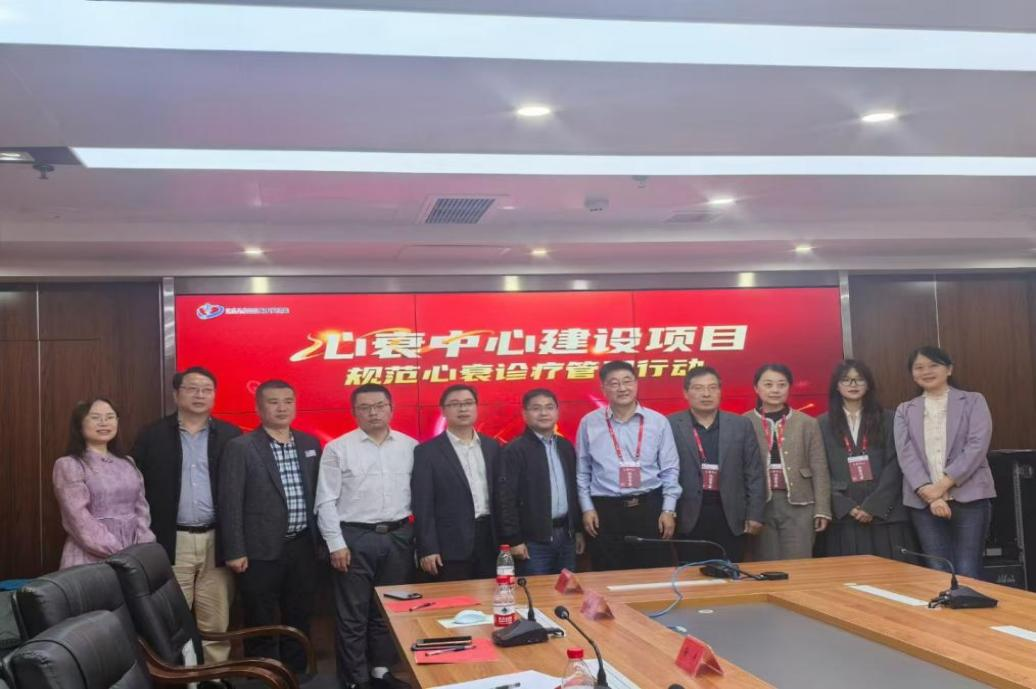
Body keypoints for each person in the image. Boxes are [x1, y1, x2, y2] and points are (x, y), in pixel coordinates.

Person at [132, 366, 241, 663]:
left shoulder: (230, 435)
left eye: (207, 390)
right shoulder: (152, 435)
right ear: (176, 394)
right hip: (171, 539)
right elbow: (135, 489)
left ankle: (215, 676)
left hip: (217, 540)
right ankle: (179, 676)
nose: (199, 395)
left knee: (216, 617)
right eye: (192, 388)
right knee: (171, 618)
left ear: (214, 396)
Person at [315, 384, 415, 689]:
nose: (373, 412)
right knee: (353, 615)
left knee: (388, 609)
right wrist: (336, 544)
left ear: (391, 408)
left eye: (379, 406)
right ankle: (355, 680)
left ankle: (380, 671)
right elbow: (325, 501)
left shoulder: (410, 446)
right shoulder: (338, 448)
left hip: (398, 536)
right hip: (354, 538)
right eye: (365, 407)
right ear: (354, 412)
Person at [219, 380, 321, 676]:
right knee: (260, 616)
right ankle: (263, 675)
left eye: (288, 401)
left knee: (299, 613)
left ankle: (296, 672)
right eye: (273, 402)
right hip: (258, 549)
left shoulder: (309, 443)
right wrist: (235, 549)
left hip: (302, 545)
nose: (282, 408)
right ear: (259, 407)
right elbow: (230, 502)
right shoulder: (241, 447)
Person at [894, 346, 994, 578]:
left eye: (933, 365)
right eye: (919, 367)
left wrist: (941, 486)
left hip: (969, 497)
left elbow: (977, 446)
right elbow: (905, 454)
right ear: (912, 374)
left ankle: (967, 604)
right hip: (923, 502)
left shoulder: (973, 401)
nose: (926, 371)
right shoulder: (904, 410)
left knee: (968, 569)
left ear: (949, 369)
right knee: (937, 570)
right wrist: (931, 495)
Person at [577, 361, 681, 571]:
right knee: (607, 574)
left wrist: (668, 510)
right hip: (605, 511)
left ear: (636, 383)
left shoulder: (658, 421)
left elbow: (670, 470)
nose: (622, 388)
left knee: (654, 574)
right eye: (614, 383)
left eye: (627, 381)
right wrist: (587, 508)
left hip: (649, 508)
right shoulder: (589, 422)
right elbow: (583, 471)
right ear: (603, 388)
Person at [818, 360, 915, 560]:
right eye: (846, 380)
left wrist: (874, 505)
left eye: (859, 379)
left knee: (892, 573)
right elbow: (820, 470)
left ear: (868, 384)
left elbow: (896, 464)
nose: (853, 384)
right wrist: (845, 506)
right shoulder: (821, 423)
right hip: (844, 516)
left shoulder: (890, 418)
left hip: (885, 514)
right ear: (836, 386)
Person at [668, 366, 764, 564]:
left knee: (728, 572)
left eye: (712, 388)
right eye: (698, 388)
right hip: (687, 515)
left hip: (730, 515)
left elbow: (754, 472)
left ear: (720, 392)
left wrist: (755, 514)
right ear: (685, 393)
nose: (706, 394)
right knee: (690, 573)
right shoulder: (670, 424)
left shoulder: (741, 425)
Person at [412, 384, 501, 581]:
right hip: (450, 545)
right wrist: (428, 548)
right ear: (443, 410)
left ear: (476, 407)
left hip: (490, 539)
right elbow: (422, 504)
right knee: (455, 596)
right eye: (454, 404)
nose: (463, 409)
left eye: (468, 403)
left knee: (492, 594)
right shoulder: (427, 452)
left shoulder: (492, 446)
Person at [53, 398, 155, 568]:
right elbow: (78, 519)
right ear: (79, 424)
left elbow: (141, 509)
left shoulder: (128, 462)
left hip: (134, 556)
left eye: (110, 417)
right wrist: (119, 552)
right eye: (95, 417)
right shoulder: (70, 464)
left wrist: (142, 548)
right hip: (90, 557)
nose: (104, 422)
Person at [744, 363, 831, 561]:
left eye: (781, 384)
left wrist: (822, 509)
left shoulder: (807, 423)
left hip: (800, 503)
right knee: (766, 564)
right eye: (768, 384)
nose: (775, 390)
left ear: (789, 387)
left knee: (799, 562)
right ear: (756, 388)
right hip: (760, 504)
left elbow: (819, 468)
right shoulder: (744, 422)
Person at [496, 388, 584, 576]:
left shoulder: (565, 446)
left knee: (567, 590)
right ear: (525, 414)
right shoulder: (514, 450)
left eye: (549, 407)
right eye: (536, 408)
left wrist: (577, 530)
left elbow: (574, 491)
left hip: (566, 537)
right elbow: (505, 499)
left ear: (557, 412)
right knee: (537, 592)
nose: (544, 413)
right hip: (533, 542)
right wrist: (514, 540)